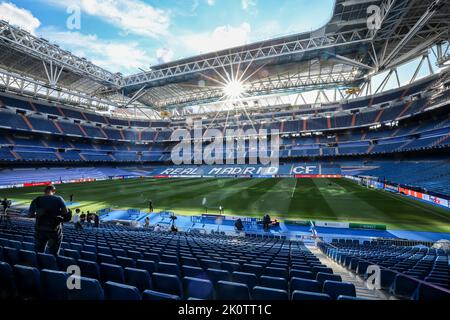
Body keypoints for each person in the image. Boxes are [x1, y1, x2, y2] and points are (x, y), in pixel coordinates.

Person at [28, 185, 72, 256]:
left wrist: (39, 214)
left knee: (38, 252)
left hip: (39, 229)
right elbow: (65, 212)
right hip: (53, 230)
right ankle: (52, 265)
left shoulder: (37, 199)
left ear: (44, 191)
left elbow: (30, 215)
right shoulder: (58, 199)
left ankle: (39, 265)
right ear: (54, 191)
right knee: (54, 252)